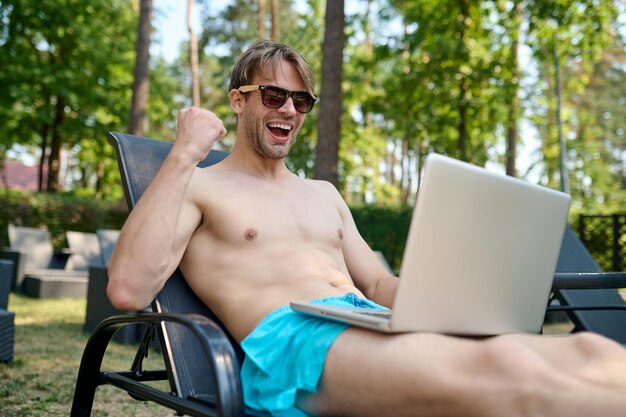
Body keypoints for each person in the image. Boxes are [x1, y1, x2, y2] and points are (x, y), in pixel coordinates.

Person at [108, 39, 626, 417]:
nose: (288, 108)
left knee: (592, 351)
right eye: (271, 95)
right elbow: (128, 286)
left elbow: (377, 284)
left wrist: (449, 300)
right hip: (293, 344)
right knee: (511, 377)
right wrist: (184, 151)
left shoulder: (324, 194)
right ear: (238, 100)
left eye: (301, 101)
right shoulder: (200, 185)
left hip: (372, 318)